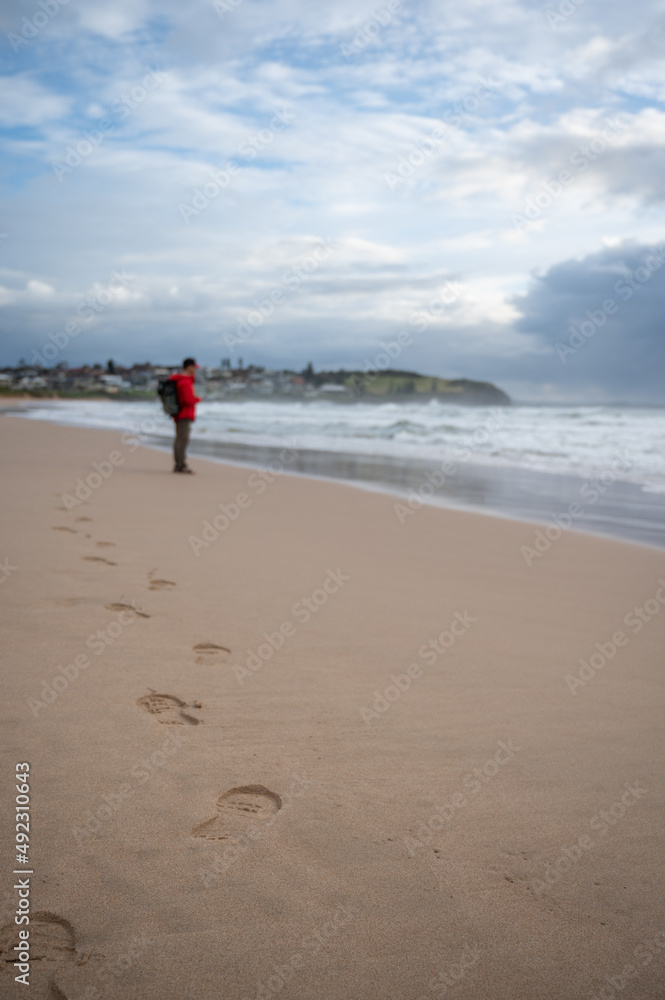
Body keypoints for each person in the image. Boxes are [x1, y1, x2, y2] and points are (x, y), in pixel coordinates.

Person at [169, 358, 201, 474]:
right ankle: (181, 465)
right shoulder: (185, 381)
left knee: (179, 439)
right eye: (194, 367)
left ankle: (179, 464)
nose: (196, 370)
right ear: (189, 367)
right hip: (184, 414)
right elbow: (188, 400)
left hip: (178, 413)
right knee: (182, 440)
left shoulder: (178, 380)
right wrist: (197, 399)